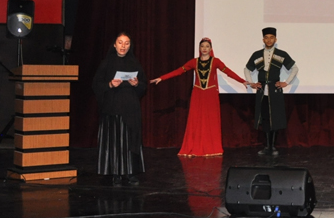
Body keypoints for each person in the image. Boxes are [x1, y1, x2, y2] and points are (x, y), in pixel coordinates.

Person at [149, 37, 248, 157]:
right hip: (198, 93)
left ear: (211, 49)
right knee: (196, 119)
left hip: (210, 94)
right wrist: (162, 78)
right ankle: (194, 146)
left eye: (207, 46)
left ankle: (211, 148)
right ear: (199, 48)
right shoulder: (194, 62)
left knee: (211, 120)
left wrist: (242, 81)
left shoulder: (216, 61)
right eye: (202, 46)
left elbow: (228, 72)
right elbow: (179, 71)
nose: (204, 49)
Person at [92, 32, 148, 187]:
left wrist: (136, 84)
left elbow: (144, 85)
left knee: (130, 141)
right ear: (114, 44)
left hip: (131, 109)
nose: (123, 46)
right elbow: (96, 85)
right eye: (120, 42)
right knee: (115, 142)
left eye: (127, 43)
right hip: (112, 109)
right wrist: (110, 84)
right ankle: (116, 174)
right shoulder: (106, 63)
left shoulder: (135, 63)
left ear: (130, 46)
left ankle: (130, 173)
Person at [244, 27, 299, 156]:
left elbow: (295, 68)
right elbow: (247, 69)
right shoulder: (257, 54)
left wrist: (286, 82)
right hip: (262, 90)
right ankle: (267, 146)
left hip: (275, 90)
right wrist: (251, 83)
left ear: (275, 39)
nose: (269, 40)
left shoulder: (282, 54)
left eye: (271, 37)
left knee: (274, 118)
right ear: (263, 40)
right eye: (266, 38)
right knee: (264, 119)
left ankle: (272, 146)